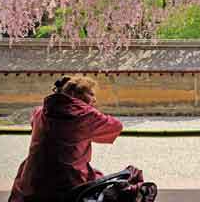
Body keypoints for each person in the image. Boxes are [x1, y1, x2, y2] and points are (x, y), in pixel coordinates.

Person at [8, 76, 157, 202]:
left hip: (29, 182)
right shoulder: (85, 115)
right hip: (68, 183)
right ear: (75, 94)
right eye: (91, 94)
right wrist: (90, 111)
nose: (95, 99)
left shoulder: (39, 112)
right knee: (131, 175)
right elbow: (116, 126)